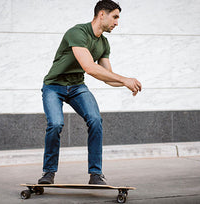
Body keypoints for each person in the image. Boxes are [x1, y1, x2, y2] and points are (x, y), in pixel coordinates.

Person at [38, 0, 142, 185]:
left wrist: (126, 84)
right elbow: (89, 67)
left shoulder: (104, 44)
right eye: (115, 17)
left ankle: (95, 174)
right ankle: (48, 173)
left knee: (95, 120)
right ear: (102, 14)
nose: (117, 22)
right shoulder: (77, 33)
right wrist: (124, 79)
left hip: (77, 87)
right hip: (54, 86)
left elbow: (107, 77)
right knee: (55, 124)